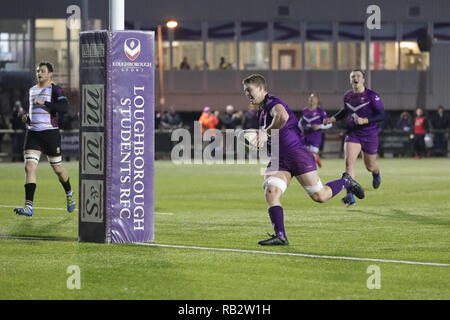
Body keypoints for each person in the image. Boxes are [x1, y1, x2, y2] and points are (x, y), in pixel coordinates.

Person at [243, 74, 365, 246]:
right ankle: (281, 236)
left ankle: (346, 180)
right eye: (245, 91)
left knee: (320, 196)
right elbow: (274, 132)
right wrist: (261, 139)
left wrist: (265, 133)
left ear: (261, 88)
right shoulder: (262, 111)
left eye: (249, 90)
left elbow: (282, 117)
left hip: (296, 154)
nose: (247, 94)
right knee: (271, 191)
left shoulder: (272, 102)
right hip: (279, 159)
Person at [13, 61, 76, 217]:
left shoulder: (55, 88)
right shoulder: (32, 90)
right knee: (29, 167)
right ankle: (29, 206)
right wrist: (27, 119)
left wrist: (45, 102)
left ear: (50, 74)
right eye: (37, 71)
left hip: (50, 134)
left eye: (42, 71)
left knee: (58, 169)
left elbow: (64, 108)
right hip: (33, 133)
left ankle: (69, 193)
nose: (39, 73)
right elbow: (33, 113)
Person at [324, 69, 385, 206]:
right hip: (353, 134)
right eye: (352, 76)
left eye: (358, 76)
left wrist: (365, 120)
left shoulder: (372, 96)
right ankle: (350, 195)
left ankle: (375, 172)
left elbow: (382, 115)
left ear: (363, 80)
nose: (355, 78)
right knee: (349, 162)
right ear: (350, 80)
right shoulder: (348, 96)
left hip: (370, 134)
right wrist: (332, 119)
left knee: (369, 165)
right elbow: (346, 111)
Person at [298, 93, 332, 168]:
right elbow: (300, 122)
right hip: (305, 135)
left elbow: (330, 124)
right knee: (304, 154)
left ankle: (312, 168)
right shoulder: (304, 110)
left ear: (317, 101)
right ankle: (316, 158)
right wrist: (300, 129)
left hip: (315, 136)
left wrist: (319, 126)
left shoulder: (320, 111)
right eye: (310, 99)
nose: (311, 100)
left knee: (310, 157)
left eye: (313, 99)